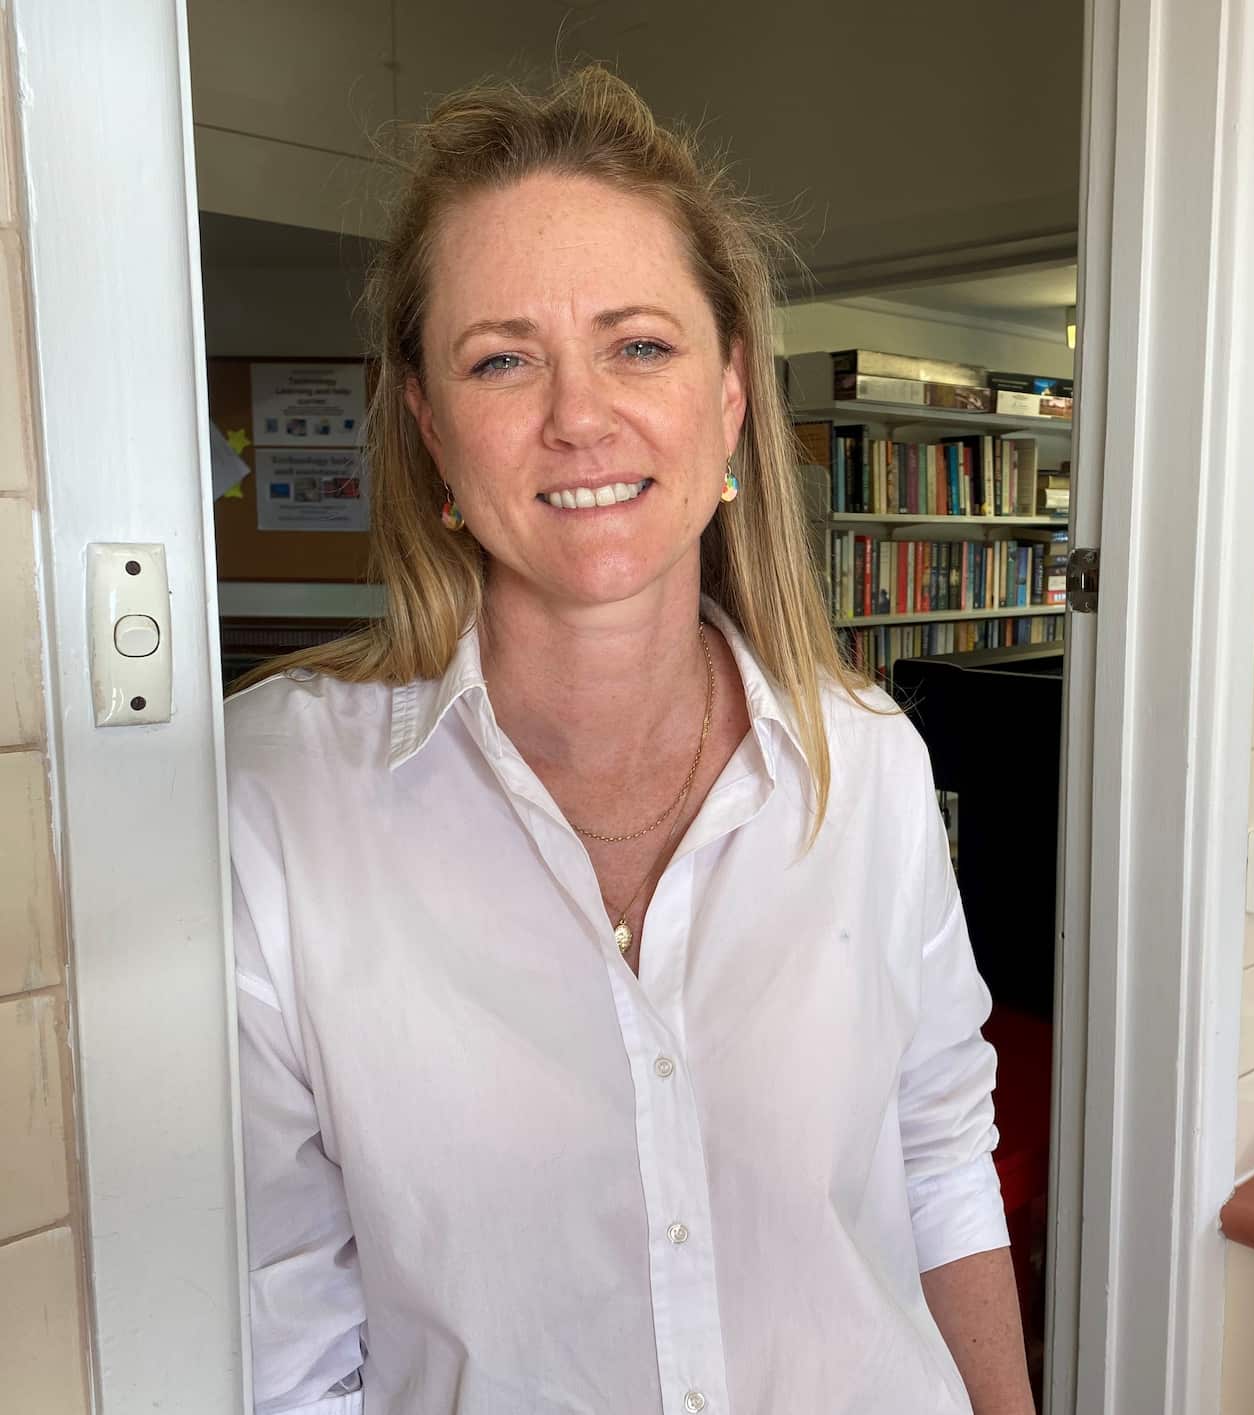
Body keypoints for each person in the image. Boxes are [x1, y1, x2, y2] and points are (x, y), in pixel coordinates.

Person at [226, 65, 1035, 1415]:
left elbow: (941, 1158)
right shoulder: (277, 803)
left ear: (727, 401)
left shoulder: (872, 764)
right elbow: (283, 1329)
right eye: (501, 358)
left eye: (639, 344)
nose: (579, 416)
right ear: (429, 433)